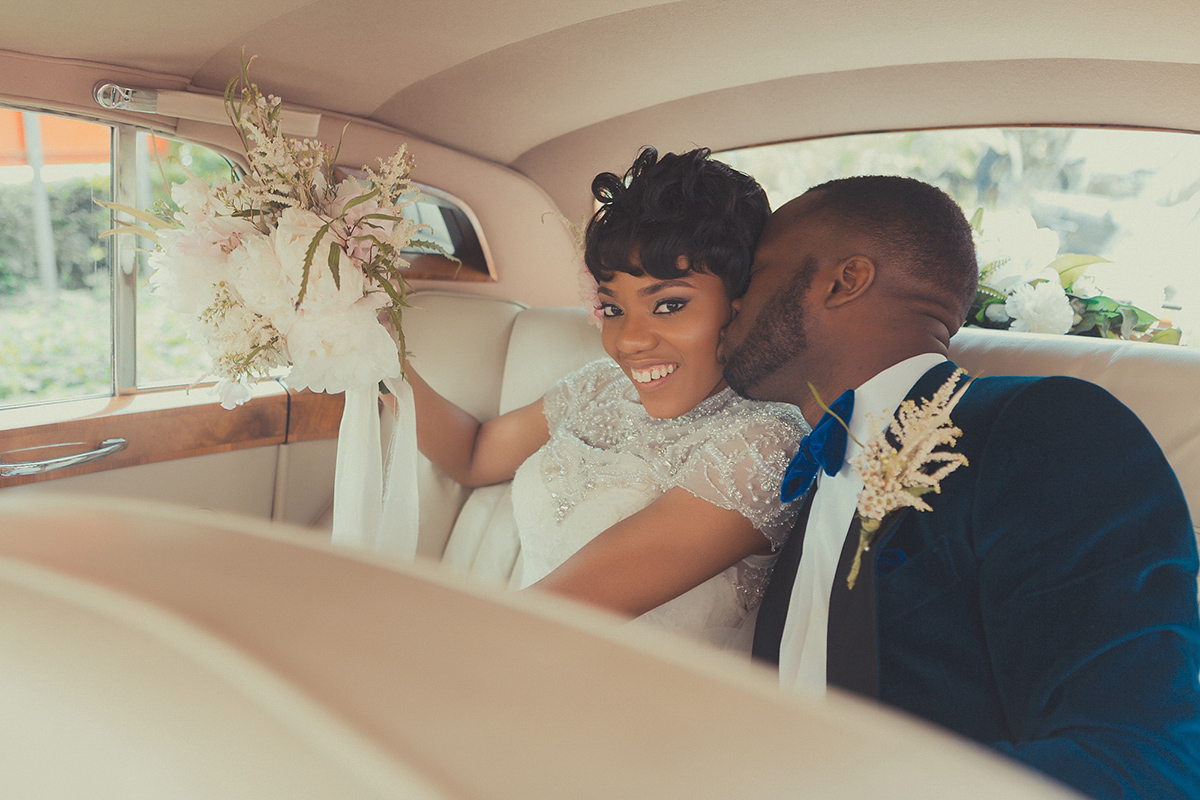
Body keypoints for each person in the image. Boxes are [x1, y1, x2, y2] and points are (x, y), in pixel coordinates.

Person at [720, 174, 1200, 798]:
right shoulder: (796, 476)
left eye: (753, 272)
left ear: (844, 280)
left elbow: (1141, 758)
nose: (729, 301)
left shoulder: (1044, 428)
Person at [406, 147, 808, 649]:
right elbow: (474, 454)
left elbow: (568, 605)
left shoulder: (769, 442)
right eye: (613, 309)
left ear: (741, 303)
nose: (629, 341)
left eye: (669, 304)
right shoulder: (598, 386)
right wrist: (368, 354)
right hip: (522, 653)